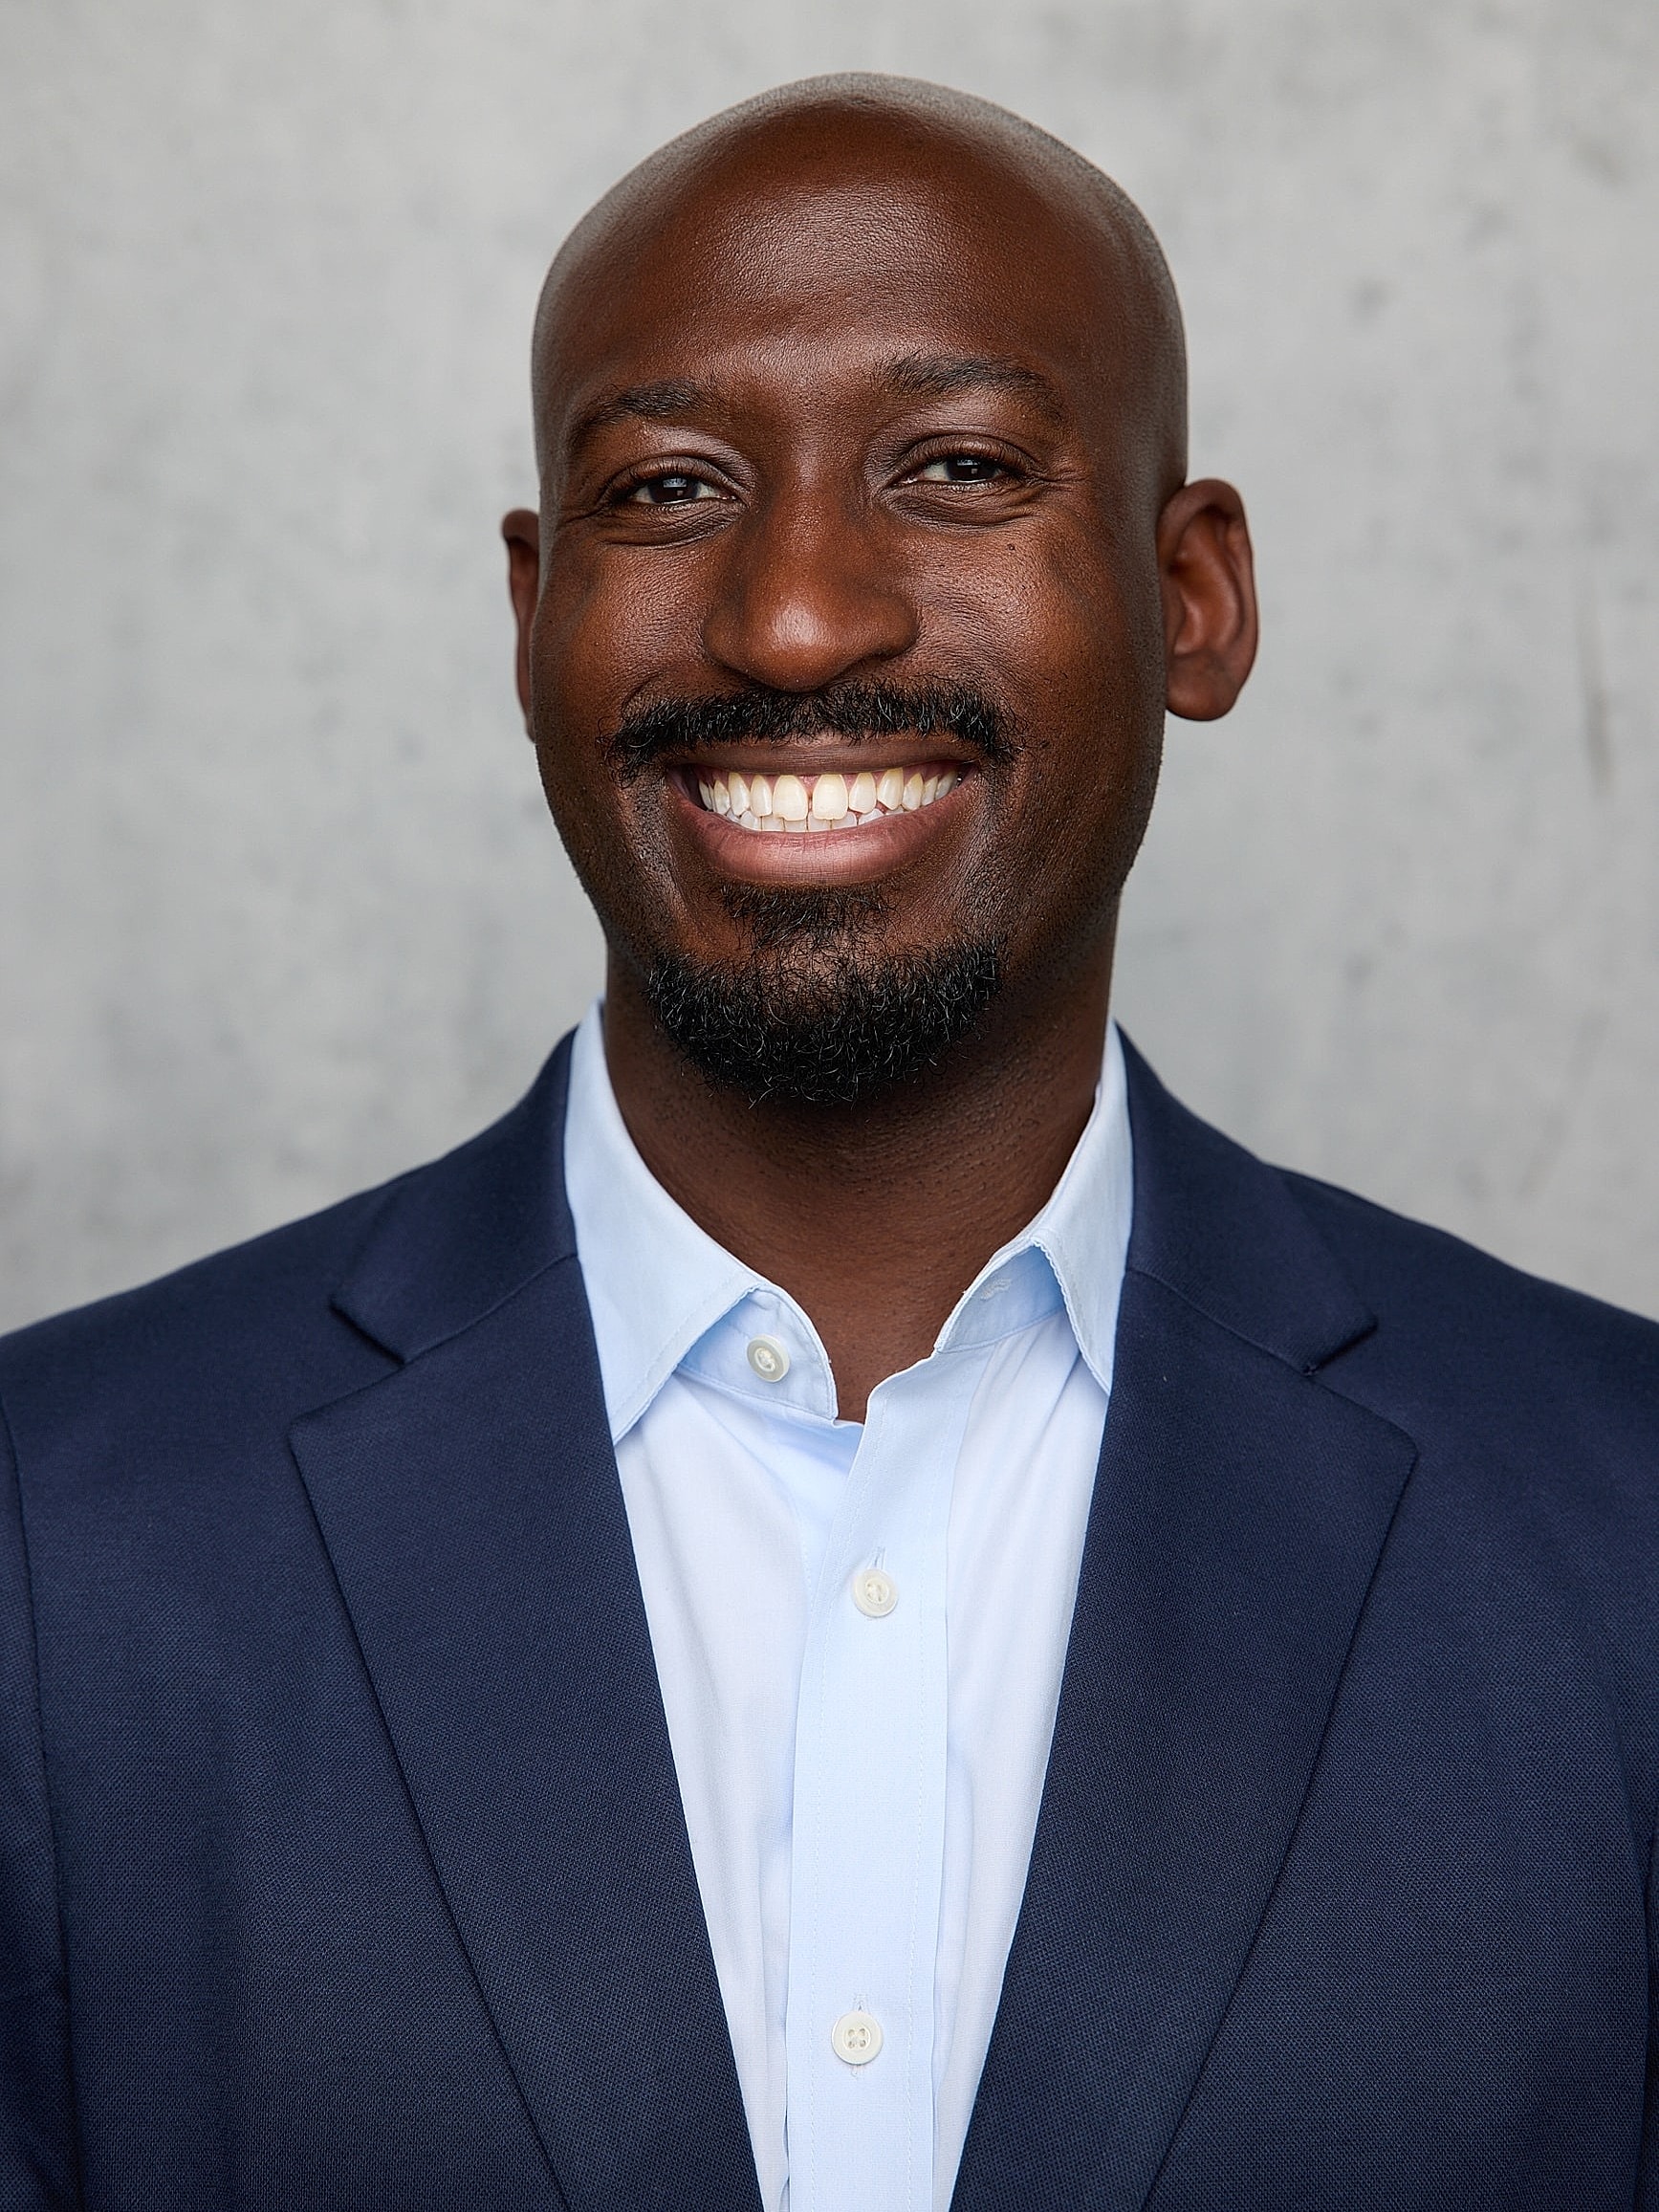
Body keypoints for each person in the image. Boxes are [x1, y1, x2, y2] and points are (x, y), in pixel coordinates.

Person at [1, 72, 1655, 2212]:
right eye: (671, 486)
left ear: (1195, 596)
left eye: (955, 468)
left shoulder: (1619, 1535)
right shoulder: (55, 1542)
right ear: (528, 618)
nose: (793, 620)